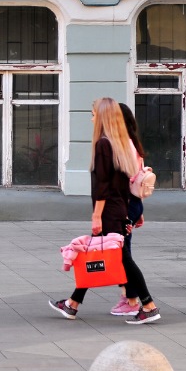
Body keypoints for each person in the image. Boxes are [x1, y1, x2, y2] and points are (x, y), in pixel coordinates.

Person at [49, 97, 161, 324]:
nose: (91, 118)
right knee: (97, 256)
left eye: (93, 114)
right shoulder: (120, 144)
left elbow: (103, 185)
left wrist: (97, 215)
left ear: (102, 117)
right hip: (119, 208)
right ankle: (73, 304)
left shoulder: (103, 144)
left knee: (120, 259)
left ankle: (149, 305)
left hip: (109, 210)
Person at [110, 103, 146, 316]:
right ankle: (130, 298)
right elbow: (138, 179)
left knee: (122, 254)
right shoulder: (133, 144)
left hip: (125, 204)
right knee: (122, 252)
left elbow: (124, 181)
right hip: (132, 203)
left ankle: (132, 300)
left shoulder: (124, 146)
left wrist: (124, 213)